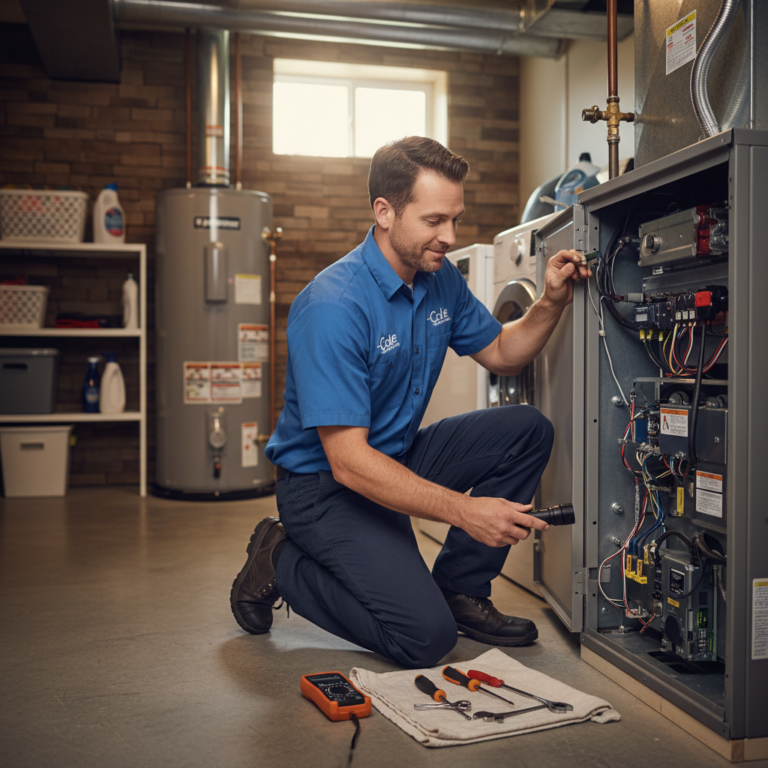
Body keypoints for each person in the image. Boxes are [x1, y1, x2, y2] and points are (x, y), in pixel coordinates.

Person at [230, 136, 591, 669]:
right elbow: (349, 462)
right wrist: (467, 512)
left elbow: (502, 352)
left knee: (526, 428)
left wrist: (550, 300)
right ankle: (278, 559)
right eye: (433, 221)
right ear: (384, 212)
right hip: (325, 488)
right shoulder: (333, 306)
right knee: (422, 638)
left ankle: (459, 589)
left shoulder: (438, 278)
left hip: (394, 460)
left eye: (455, 220)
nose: (449, 237)